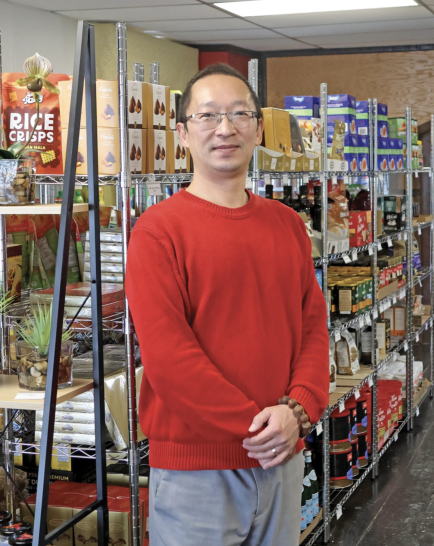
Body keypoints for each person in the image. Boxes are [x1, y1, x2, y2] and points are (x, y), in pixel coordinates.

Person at [124, 63, 329, 546]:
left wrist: (298, 410)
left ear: (258, 130)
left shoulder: (287, 225)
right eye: (208, 115)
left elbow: (312, 327)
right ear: (182, 133)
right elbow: (170, 359)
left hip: (282, 458)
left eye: (239, 114)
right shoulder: (157, 232)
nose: (225, 128)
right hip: (198, 472)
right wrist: (260, 428)